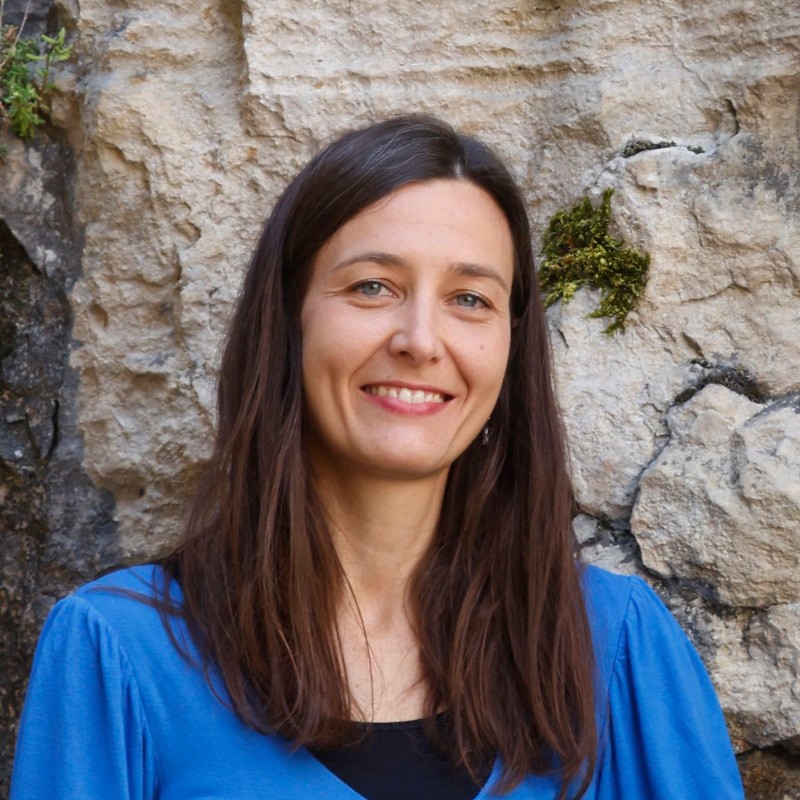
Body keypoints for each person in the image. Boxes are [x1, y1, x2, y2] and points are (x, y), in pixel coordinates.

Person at [11, 115, 745, 800]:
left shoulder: (614, 647)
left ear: (510, 345)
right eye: (372, 287)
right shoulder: (117, 653)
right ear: (289, 318)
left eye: (470, 299)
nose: (421, 340)